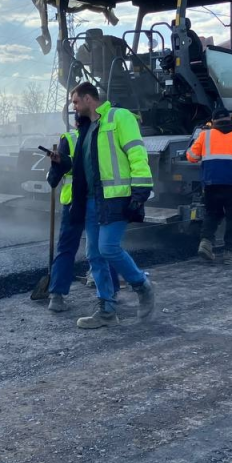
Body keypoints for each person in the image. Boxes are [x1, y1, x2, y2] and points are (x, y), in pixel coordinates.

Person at [60, 82, 154, 329]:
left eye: (76, 101)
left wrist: (141, 189)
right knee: (94, 254)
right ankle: (107, 310)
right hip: (91, 200)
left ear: (89, 98)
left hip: (116, 197)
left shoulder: (119, 117)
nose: (74, 106)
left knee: (108, 247)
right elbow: (86, 166)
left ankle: (141, 286)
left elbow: (136, 153)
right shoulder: (87, 127)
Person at [44, 128, 120, 313]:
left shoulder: (68, 139)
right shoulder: (102, 135)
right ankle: (112, 292)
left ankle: (56, 295)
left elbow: (54, 177)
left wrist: (52, 173)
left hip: (73, 203)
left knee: (66, 248)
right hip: (98, 200)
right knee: (103, 247)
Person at [186, 110, 232, 265]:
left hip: (212, 184)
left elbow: (191, 157)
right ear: (231, 120)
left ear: (213, 121)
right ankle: (229, 253)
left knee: (212, 214)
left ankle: (206, 243)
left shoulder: (205, 136)